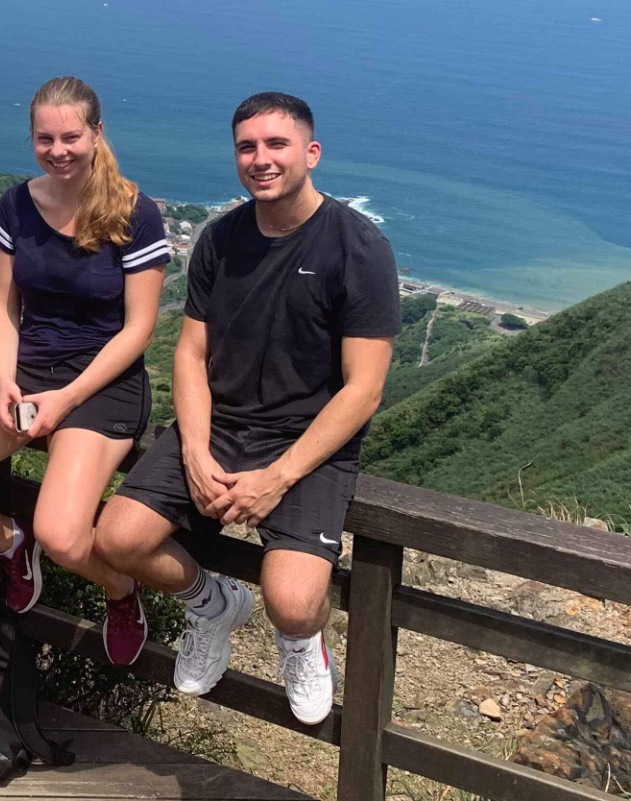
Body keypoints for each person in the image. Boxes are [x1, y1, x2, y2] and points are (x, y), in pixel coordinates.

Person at [91, 92, 399, 725]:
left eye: (276, 144)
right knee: (117, 539)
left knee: (292, 600)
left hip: (307, 442)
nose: (260, 159)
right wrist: (198, 453)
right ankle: (213, 605)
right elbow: (190, 353)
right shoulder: (222, 238)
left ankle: (300, 642)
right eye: (247, 147)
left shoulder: (358, 248)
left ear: (310, 153)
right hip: (220, 425)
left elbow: (363, 389)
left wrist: (279, 476)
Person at [0, 77, 169, 665]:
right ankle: (8, 540)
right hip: (26, 369)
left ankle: (121, 591)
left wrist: (66, 398)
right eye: (45, 138)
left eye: (71, 136)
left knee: (67, 535)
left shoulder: (134, 213)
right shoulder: (16, 204)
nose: (58, 149)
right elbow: (4, 305)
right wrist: (5, 381)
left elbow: (138, 330)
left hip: (103, 382)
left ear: (97, 133)